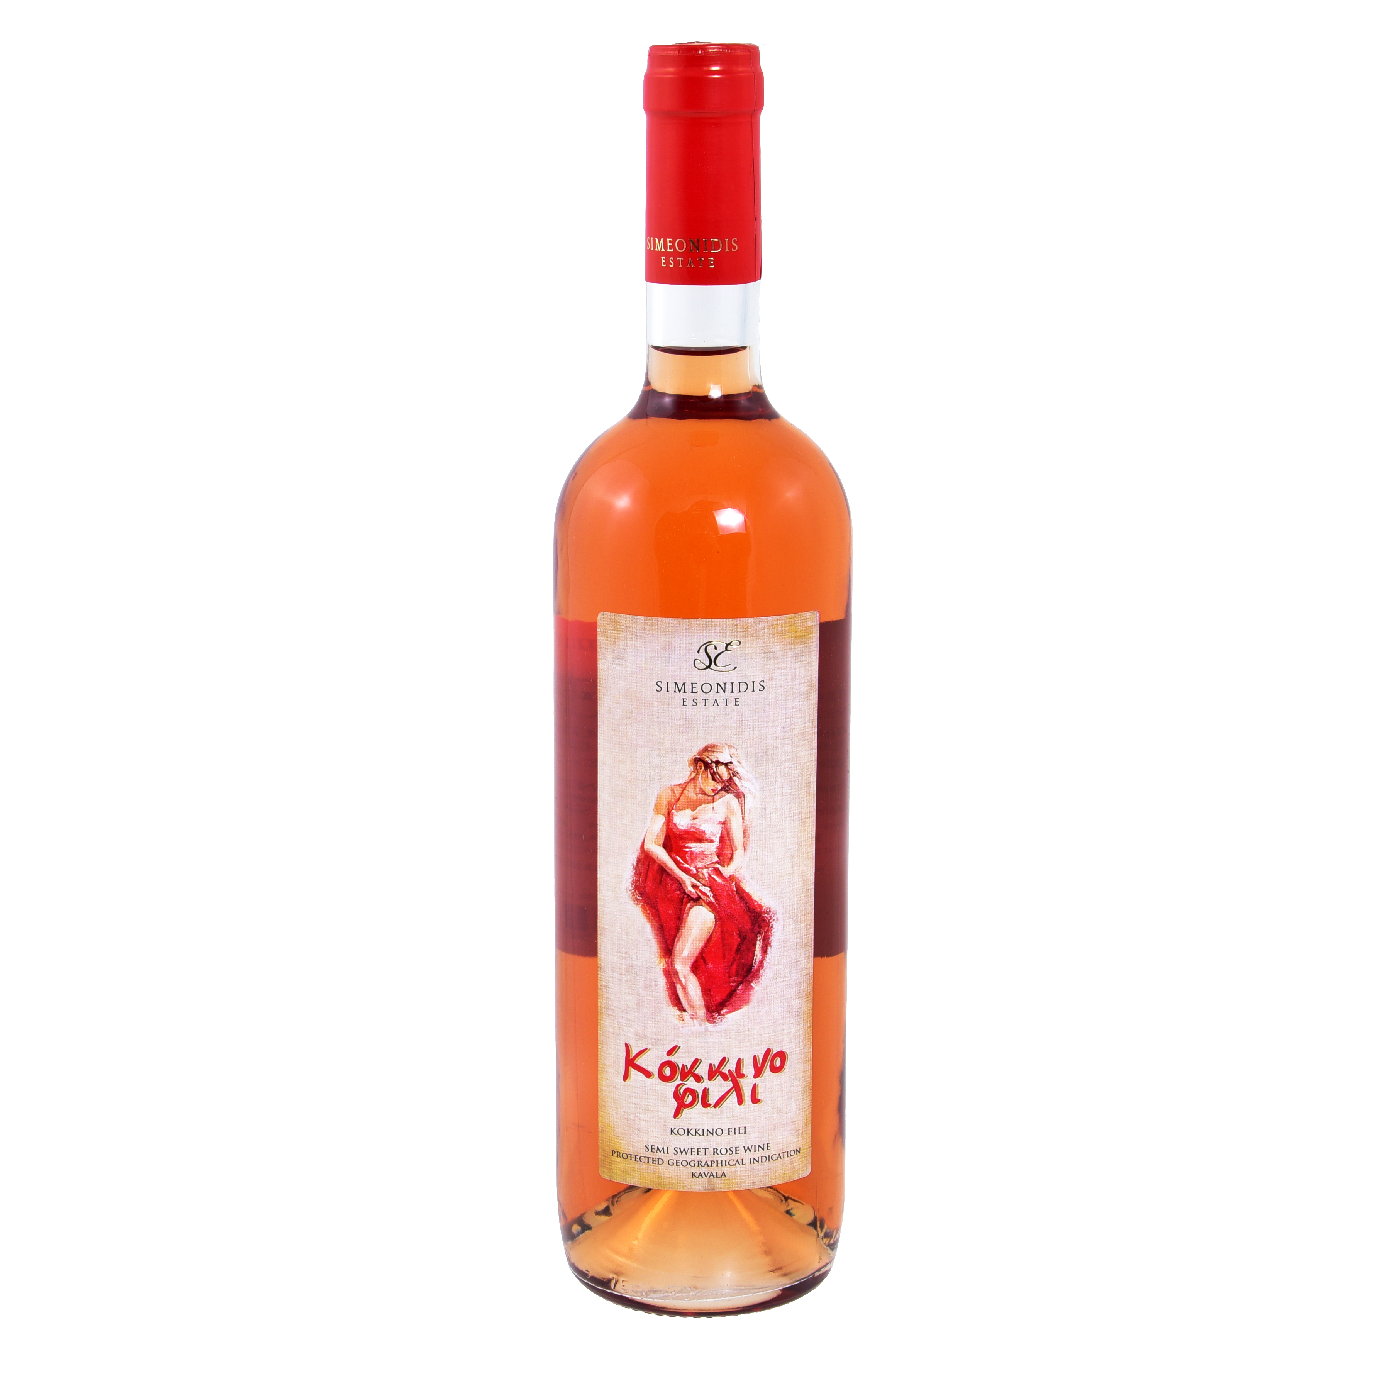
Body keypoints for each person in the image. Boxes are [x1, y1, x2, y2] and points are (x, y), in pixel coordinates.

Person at [630, 743, 773, 1022]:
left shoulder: (727, 802)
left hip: (709, 887)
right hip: (675, 883)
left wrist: (722, 878)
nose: (716, 787)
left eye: (723, 782)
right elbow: (652, 844)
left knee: (680, 963)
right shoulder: (670, 795)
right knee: (674, 961)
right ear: (698, 767)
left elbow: (738, 853)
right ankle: (699, 1022)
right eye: (713, 779)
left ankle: (700, 1025)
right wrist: (683, 877)